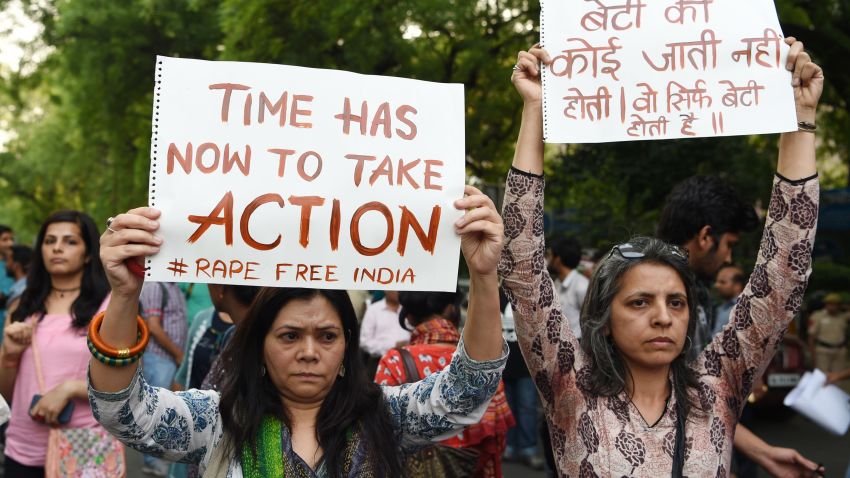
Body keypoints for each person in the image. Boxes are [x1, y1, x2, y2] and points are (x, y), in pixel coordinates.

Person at [501, 40, 824, 476]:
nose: (662, 317)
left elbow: (784, 272)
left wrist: (800, 119)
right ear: (603, 317)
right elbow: (522, 270)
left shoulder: (717, 387)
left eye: (676, 302)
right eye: (639, 302)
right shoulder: (571, 388)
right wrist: (535, 111)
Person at [89, 183, 508, 477]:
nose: (309, 351)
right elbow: (124, 412)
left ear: (348, 343)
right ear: (260, 346)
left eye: (327, 336)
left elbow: (469, 390)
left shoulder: (385, 416)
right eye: (289, 336)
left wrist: (484, 275)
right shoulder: (216, 422)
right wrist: (125, 297)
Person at [0, 211, 110, 476]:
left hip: (82, 447)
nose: (57, 247)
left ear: (88, 253)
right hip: (22, 448)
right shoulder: (22, 306)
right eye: (49, 241)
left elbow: (126, 384)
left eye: (70, 241)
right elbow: (6, 394)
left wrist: (70, 389)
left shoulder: (108, 308)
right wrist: (9, 356)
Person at [375, 290, 515, 478]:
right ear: (451, 309)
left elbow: (380, 435)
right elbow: (496, 437)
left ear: (408, 316)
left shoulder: (394, 361)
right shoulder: (482, 364)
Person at [169, 284, 259, 478]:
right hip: (194, 437)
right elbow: (184, 374)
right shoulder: (203, 319)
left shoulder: (264, 338)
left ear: (220, 288)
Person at [139, 281, 189, 476]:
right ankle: (152, 462)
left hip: (168, 359)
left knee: (166, 412)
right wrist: (178, 354)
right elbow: (153, 327)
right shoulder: (155, 285)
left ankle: (159, 460)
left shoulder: (173, 285)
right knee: (155, 413)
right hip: (159, 358)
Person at [499, 291, 544, 470]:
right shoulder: (496, 294)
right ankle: (510, 446)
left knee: (527, 407)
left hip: (526, 364)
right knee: (508, 408)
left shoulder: (528, 295)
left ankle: (528, 448)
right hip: (503, 363)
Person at [359, 290, 409, 377]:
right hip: (379, 362)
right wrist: (392, 346)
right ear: (386, 290)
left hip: (407, 362)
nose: (399, 292)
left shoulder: (407, 310)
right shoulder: (374, 310)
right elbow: (364, 341)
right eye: (396, 289)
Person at [547, 236, 588, 339]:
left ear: (558, 259)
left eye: (550, 255)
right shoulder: (556, 283)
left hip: (577, 346)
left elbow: (592, 322)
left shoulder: (582, 286)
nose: (548, 260)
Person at [808, 293, 850, 373]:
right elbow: (811, 337)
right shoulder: (817, 316)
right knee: (822, 377)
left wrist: (845, 307)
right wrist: (812, 354)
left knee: (837, 378)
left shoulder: (843, 316)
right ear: (826, 304)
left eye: (836, 304)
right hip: (823, 351)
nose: (833, 306)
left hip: (839, 351)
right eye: (830, 303)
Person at [711, 264, 746, 338]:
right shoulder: (721, 307)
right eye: (716, 281)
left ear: (737, 286)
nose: (716, 285)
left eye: (722, 282)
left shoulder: (743, 310)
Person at [6, 244, 33, 310]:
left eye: (8, 260)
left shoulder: (20, 292)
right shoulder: (29, 286)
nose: (5, 264)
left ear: (16, 265)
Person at [0, 224, 16, 335]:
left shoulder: (14, 265)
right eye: (4, 239)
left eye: (11, 239)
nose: (10, 243)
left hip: (10, 319)